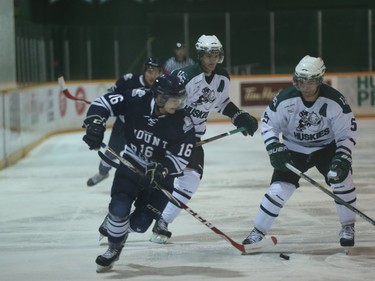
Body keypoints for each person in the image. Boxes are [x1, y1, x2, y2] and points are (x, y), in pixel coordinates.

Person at [149, 34, 259, 243]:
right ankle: (119, 218)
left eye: (216, 55)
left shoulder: (223, 77)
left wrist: (238, 115)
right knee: (155, 179)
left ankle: (162, 222)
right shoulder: (185, 75)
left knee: (190, 180)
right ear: (200, 56)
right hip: (173, 136)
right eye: (208, 55)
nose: (212, 59)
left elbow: (222, 102)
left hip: (195, 137)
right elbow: (167, 105)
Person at [82, 73, 196, 272]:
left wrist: (162, 170)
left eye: (180, 98)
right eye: (173, 98)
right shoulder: (137, 98)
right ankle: (114, 248)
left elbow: (182, 156)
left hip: (161, 178)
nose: (178, 103)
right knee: (119, 209)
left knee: (140, 224)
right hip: (132, 162)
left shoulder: (183, 121)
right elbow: (104, 103)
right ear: (160, 96)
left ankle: (120, 230)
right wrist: (95, 124)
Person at [242, 55, 358, 248]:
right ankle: (258, 231)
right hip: (294, 149)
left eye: (309, 82)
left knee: (341, 179)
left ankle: (347, 226)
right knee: (279, 189)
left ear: (320, 80)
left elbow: (347, 131)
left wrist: (343, 155)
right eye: (300, 80)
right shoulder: (285, 99)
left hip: (326, 149)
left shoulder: (334, 101)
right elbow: (269, 124)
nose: (304, 86)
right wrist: (273, 146)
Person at [87, 57, 162, 186]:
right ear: (144, 71)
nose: (153, 75)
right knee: (112, 152)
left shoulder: (162, 85)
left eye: (156, 72)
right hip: (123, 125)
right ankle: (103, 172)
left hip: (147, 127)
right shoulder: (129, 80)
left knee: (150, 155)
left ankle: (152, 179)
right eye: (150, 71)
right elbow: (111, 96)